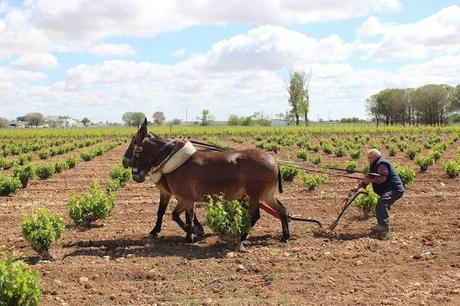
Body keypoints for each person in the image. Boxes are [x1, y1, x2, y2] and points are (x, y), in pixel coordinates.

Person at [352, 149, 405, 238]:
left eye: (369, 158)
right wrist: (357, 187)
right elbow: (368, 177)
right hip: (389, 189)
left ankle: (383, 226)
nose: (368, 160)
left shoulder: (382, 164)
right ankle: (382, 230)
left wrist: (371, 180)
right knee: (381, 204)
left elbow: (382, 178)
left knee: (382, 202)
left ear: (375, 157)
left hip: (394, 189)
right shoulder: (375, 164)